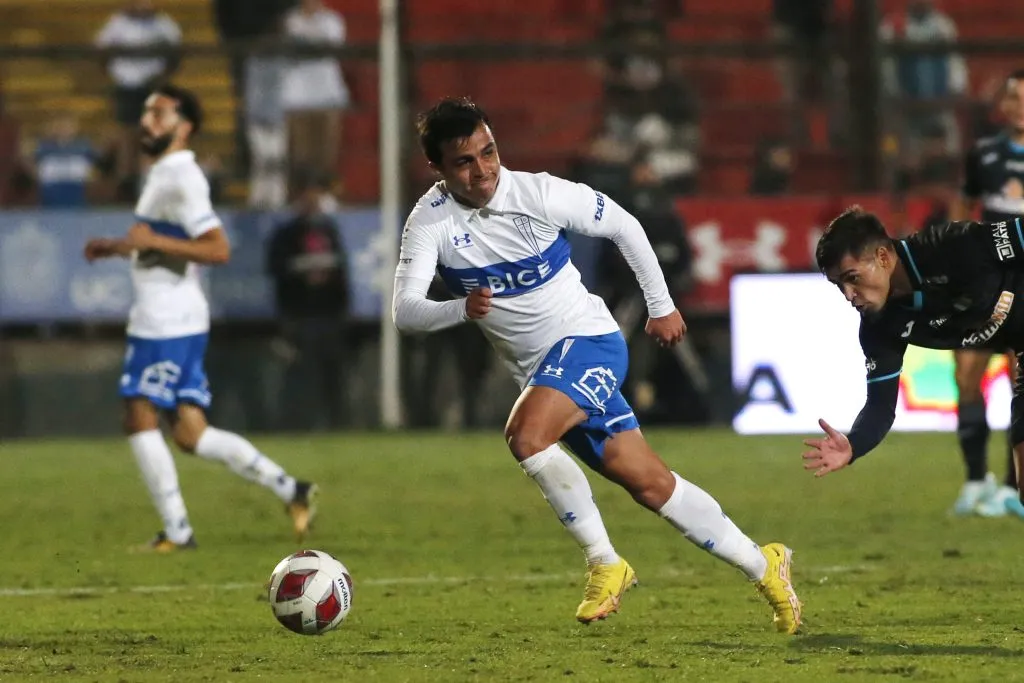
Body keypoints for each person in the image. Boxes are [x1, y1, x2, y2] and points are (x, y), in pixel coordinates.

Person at [392, 98, 801, 632]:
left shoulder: (538, 192)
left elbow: (624, 225)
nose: (484, 169)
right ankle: (763, 563)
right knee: (652, 485)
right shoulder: (431, 221)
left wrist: (661, 305)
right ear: (439, 170)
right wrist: (459, 309)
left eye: (488, 152)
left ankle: (606, 562)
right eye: (465, 161)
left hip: (589, 342)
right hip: (542, 374)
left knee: (526, 436)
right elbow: (406, 312)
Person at [83, 84, 318, 551]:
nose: (148, 122)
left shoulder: (181, 176)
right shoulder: (165, 174)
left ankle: (177, 532)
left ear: (184, 126)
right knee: (191, 434)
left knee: (138, 413)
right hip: (175, 314)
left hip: (165, 319)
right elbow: (164, 241)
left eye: (160, 114)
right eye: (147, 114)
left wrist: (151, 242)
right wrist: (121, 245)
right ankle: (291, 488)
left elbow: (216, 247)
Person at [803, 205, 1024, 522]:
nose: (849, 295)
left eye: (853, 278)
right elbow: (880, 407)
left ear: (882, 257)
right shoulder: (880, 325)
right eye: (840, 285)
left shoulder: (953, 245)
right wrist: (854, 445)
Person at [945, 70, 1024, 518]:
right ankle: (976, 482)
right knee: (966, 375)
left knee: (1021, 380)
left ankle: (1013, 487)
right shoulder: (985, 154)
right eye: (1013, 97)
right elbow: (964, 202)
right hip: (986, 283)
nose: (1019, 106)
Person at [266, 172, 349, 431]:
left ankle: (337, 426)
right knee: (301, 377)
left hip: (329, 315)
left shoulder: (329, 230)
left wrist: (342, 309)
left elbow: (341, 273)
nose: (313, 199)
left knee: (332, 376)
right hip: (301, 317)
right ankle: (297, 426)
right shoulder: (286, 234)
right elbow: (276, 271)